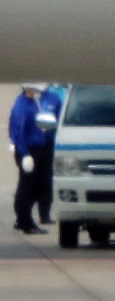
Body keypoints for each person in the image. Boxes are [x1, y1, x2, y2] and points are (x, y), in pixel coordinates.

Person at [8, 83, 49, 234]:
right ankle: (25, 222)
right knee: (26, 188)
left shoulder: (32, 103)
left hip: (36, 149)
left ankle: (23, 220)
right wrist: (24, 153)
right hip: (28, 151)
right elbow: (18, 131)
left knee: (34, 187)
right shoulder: (22, 106)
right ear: (28, 89)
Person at [36, 84, 64, 225]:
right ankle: (24, 217)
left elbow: (60, 122)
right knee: (29, 181)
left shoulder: (55, 99)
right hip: (33, 145)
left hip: (48, 145)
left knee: (46, 180)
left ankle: (44, 214)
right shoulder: (30, 99)